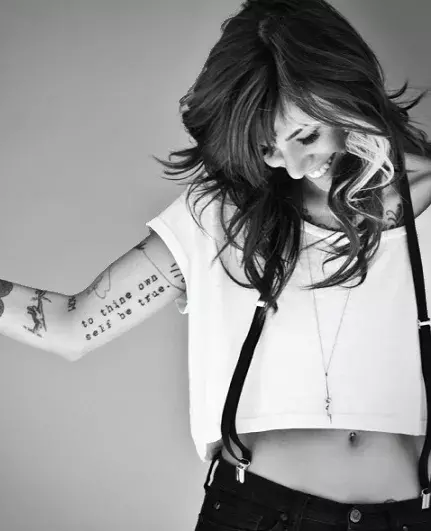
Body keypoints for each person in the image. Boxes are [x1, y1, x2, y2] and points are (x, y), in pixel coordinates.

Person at [1, 0, 431, 530]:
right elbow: (70, 325)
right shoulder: (224, 216)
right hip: (257, 515)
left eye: (305, 136)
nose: (296, 167)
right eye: (269, 148)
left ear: (349, 94)